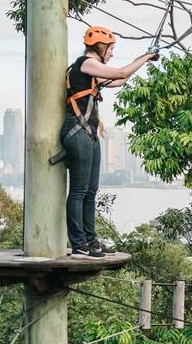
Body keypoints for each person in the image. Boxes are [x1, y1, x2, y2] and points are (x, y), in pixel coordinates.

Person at [58, 26, 157, 258]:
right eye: (111, 49)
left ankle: (91, 242)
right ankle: (79, 244)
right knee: (79, 190)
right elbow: (120, 73)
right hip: (77, 131)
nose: (111, 53)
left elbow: (120, 80)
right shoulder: (85, 63)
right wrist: (145, 56)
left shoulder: (92, 72)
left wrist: (142, 60)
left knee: (91, 191)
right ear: (101, 47)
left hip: (89, 132)